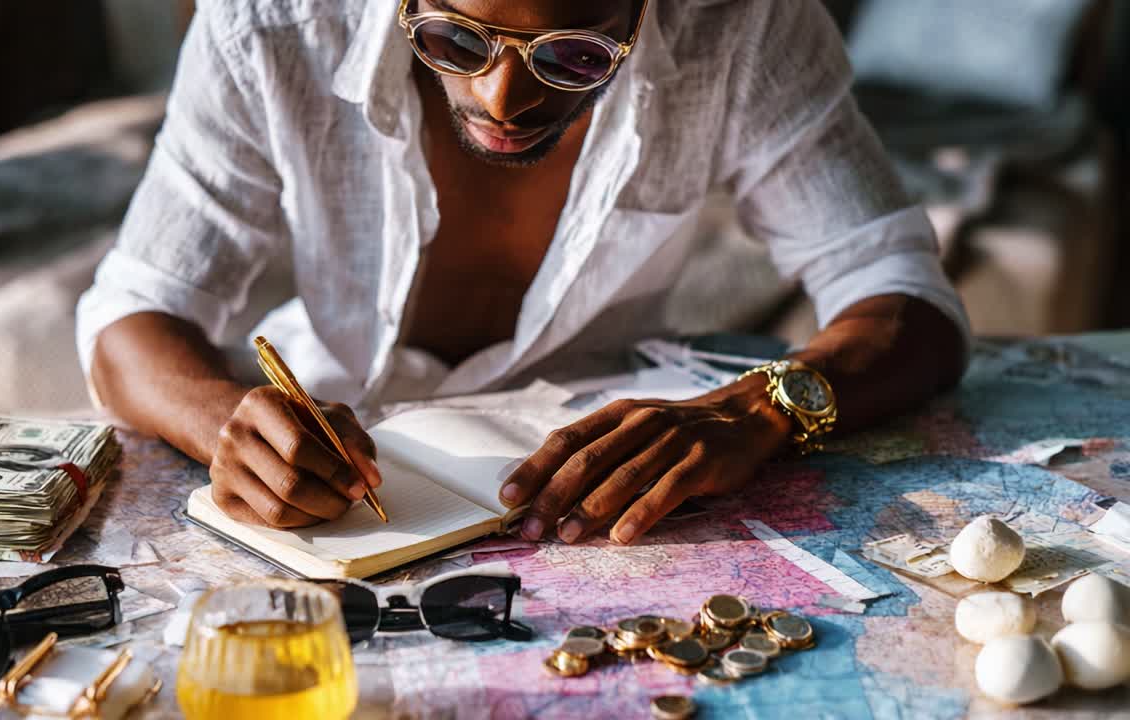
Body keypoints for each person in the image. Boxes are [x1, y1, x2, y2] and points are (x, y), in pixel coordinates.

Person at [77, 0, 969, 545]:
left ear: (645, 9)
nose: (504, 101)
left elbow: (898, 287)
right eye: (455, 43)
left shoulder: (746, 27)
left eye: (575, 55)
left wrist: (759, 406)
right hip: (339, 499)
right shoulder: (268, 24)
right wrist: (224, 419)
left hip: (613, 496)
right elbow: (134, 312)